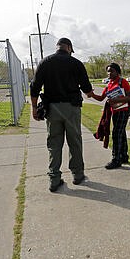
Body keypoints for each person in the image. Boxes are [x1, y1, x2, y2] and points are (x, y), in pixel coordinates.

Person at [30, 37, 94, 192]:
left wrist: (33, 108)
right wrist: (90, 94)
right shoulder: (76, 63)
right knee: (75, 142)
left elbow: (35, 88)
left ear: (57, 47)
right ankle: (78, 175)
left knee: (54, 144)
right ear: (69, 48)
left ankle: (54, 179)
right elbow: (87, 90)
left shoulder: (45, 63)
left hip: (52, 109)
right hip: (71, 108)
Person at [90, 63, 130, 169]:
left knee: (116, 134)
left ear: (117, 72)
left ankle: (116, 160)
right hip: (115, 112)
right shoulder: (109, 84)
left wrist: (116, 100)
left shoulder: (122, 82)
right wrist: (92, 95)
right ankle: (124, 156)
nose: (109, 73)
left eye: (111, 71)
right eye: (108, 71)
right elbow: (101, 98)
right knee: (121, 134)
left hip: (123, 111)